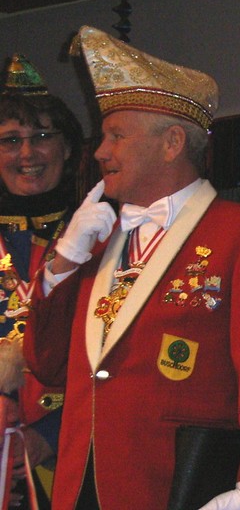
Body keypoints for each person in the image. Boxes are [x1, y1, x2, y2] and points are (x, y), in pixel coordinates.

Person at [23, 26, 240, 509]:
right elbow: (47, 365)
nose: (100, 151)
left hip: (179, 488)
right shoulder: (95, 243)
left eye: (117, 136)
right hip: (81, 487)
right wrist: (62, 265)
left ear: (172, 142)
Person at [0, 53, 84, 508]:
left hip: (72, 455)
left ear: (68, 148)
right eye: (11, 140)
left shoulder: (101, 237)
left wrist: (49, 435)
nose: (27, 154)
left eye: (43, 137)